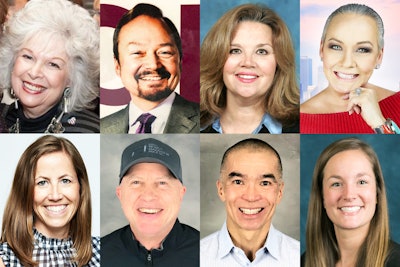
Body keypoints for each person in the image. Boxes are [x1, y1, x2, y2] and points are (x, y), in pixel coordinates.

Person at [0, 0, 99, 133]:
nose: (34, 73)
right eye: (28, 57)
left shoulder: (88, 131)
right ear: (12, 61)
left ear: (72, 78)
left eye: (53, 64)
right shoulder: (3, 118)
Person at [0, 135, 100, 267]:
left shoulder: (103, 251)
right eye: (42, 182)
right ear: (25, 190)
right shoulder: (5, 258)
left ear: (80, 187)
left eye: (65, 181)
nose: (55, 195)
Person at [300, 4, 400, 134]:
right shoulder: (299, 119)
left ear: (379, 57)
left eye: (362, 49)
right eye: (336, 47)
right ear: (321, 49)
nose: (347, 63)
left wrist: (379, 122)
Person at [100, 3, 199, 134]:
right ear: (117, 66)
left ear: (180, 62)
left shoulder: (204, 122)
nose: (153, 64)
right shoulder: (102, 128)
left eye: (165, 52)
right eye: (137, 53)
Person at [200, 4, 299, 134]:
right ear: (217, 58)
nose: (248, 62)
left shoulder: (301, 127)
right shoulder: (194, 126)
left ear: (279, 63)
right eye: (235, 50)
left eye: (262, 51)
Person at [200, 138, 300, 266]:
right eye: (238, 182)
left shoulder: (299, 259)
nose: (251, 197)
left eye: (264, 183)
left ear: (279, 192)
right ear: (221, 190)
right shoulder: (198, 258)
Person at [302, 137, 400, 267]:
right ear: (322, 197)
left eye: (361, 182)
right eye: (336, 184)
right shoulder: (303, 262)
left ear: (377, 193)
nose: (349, 195)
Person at [101, 138, 199, 266]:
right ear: (120, 194)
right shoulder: (97, 254)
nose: (148, 196)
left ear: (181, 193)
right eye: (136, 182)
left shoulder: (207, 251)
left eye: (162, 183)